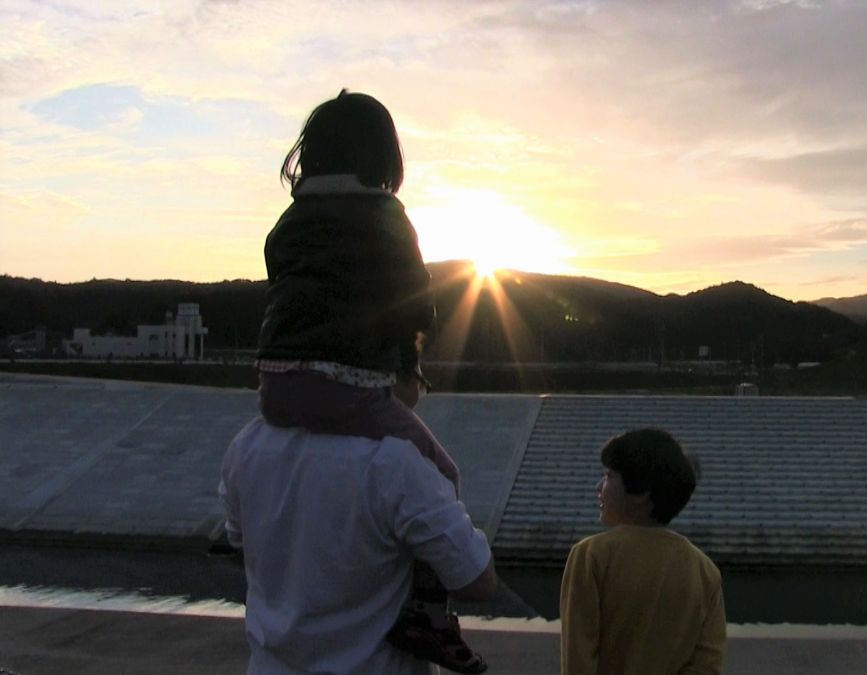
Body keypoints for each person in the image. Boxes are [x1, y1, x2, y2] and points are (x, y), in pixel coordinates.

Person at [252, 89, 483, 673]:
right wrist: (409, 358)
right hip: (347, 385)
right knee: (442, 472)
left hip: (275, 386)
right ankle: (428, 619)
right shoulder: (386, 217)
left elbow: (282, 279)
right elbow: (414, 301)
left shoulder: (289, 220)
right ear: (383, 155)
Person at [219, 383, 497, 673]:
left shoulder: (247, 446)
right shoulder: (394, 464)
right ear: (387, 379)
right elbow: (477, 581)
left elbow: (239, 542)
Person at [559, 429, 726, 675]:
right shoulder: (705, 570)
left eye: (608, 475)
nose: (598, 486)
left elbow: (578, 661)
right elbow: (707, 665)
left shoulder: (590, 556)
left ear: (640, 493)